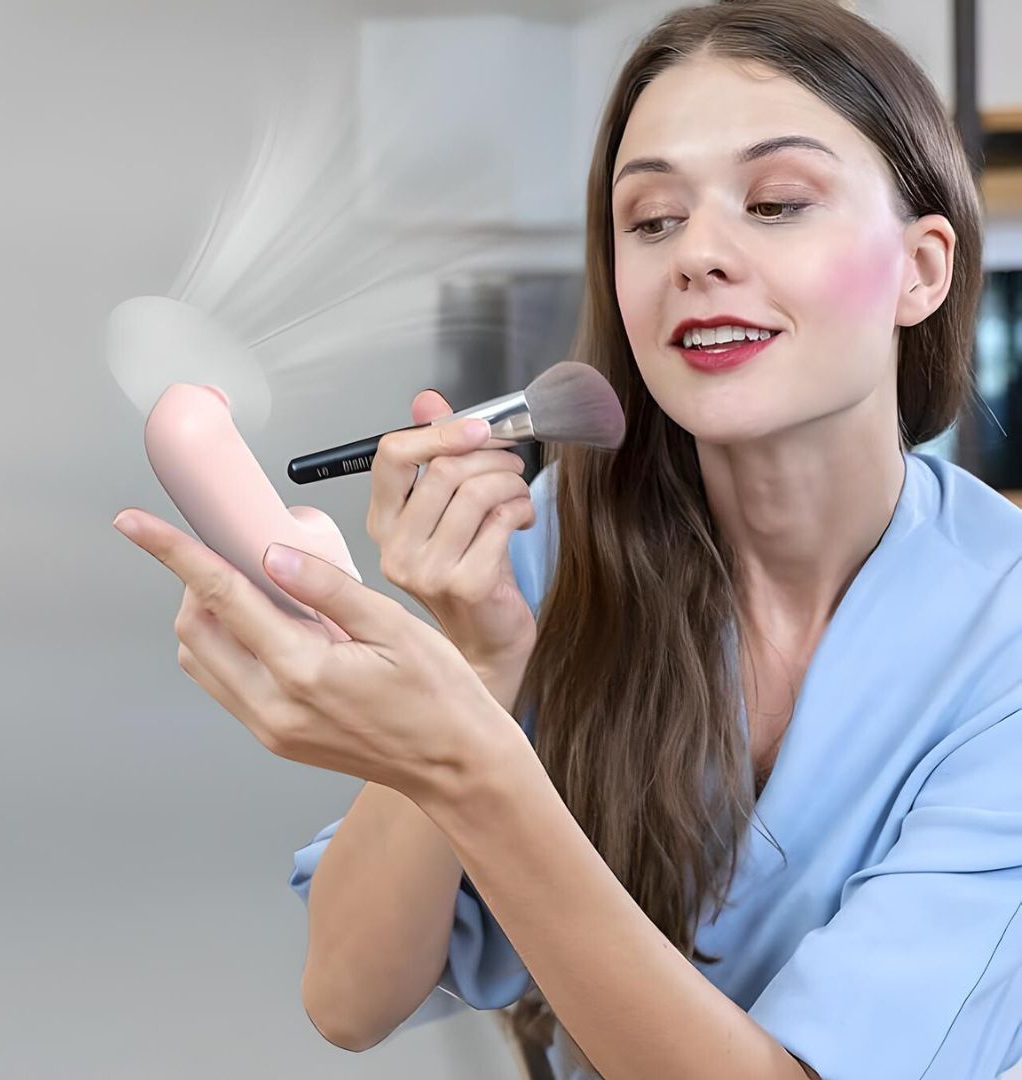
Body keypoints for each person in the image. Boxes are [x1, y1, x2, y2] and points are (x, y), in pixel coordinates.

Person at [115, 0, 1021, 1077]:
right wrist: (474, 659)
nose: (699, 254)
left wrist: (467, 762)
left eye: (776, 202)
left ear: (922, 270)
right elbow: (349, 997)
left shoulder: (999, 630)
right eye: (650, 220)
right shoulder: (534, 564)